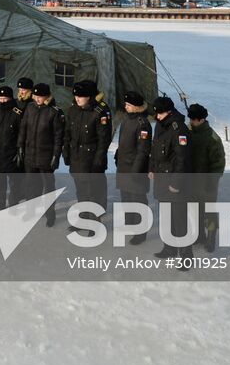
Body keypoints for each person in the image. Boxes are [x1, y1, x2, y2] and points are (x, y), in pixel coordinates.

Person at [150, 96, 194, 263]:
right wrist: (152, 168)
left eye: (160, 114)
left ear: (169, 112)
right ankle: (169, 247)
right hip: (162, 179)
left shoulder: (179, 129)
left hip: (176, 182)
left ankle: (186, 254)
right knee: (167, 216)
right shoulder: (161, 126)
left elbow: (182, 159)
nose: (157, 117)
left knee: (180, 219)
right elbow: (155, 149)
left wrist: (176, 183)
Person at [62, 81, 111, 227]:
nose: (77, 99)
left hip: (92, 159)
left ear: (89, 97)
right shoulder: (73, 110)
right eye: (76, 96)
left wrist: (98, 161)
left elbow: (104, 140)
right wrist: (66, 152)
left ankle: (95, 222)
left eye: (81, 96)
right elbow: (67, 134)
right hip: (77, 158)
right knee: (81, 191)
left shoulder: (100, 112)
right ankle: (83, 218)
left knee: (94, 193)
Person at [18, 84, 65, 226]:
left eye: (41, 96)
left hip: (46, 156)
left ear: (47, 96)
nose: (38, 99)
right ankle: (30, 210)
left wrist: (56, 156)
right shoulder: (30, 108)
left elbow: (58, 137)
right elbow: (23, 128)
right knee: (30, 185)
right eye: (35, 96)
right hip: (30, 155)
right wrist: (20, 146)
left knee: (48, 187)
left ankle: (50, 214)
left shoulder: (54, 112)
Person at [186, 102, 226, 252]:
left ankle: (211, 237)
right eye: (190, 119)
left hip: (207, 181)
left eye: (194, 119)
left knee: (209, 210)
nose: (191, 122)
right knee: (195, 209)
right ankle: (199, 235)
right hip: (191, 180)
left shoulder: (212, 138)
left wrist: (212, 181)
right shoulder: (189, 132)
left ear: (202, 119)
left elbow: (218, 163)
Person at [115, 91, 152, 245]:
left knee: (138, 200)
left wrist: (136, 171)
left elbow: (143, 150)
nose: (126, 106)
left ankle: (140, 232)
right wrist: (118, 155)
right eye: (126, 104)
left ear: (137, 107)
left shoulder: (143, 124)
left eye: (129, 105)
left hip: (135, 170)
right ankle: (129, 224)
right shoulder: (126, 121)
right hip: (124, 167)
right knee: (126, 198)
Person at [0, 86, 22, 211]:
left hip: (11, 153)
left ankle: (13, 204)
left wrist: (18, 150)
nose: (2, 101)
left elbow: (20, 134)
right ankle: (0, 204)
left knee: (13, 182)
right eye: (1, 98)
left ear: (10, 98)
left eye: (5, 98)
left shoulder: (17, 113)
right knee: (0, 182)